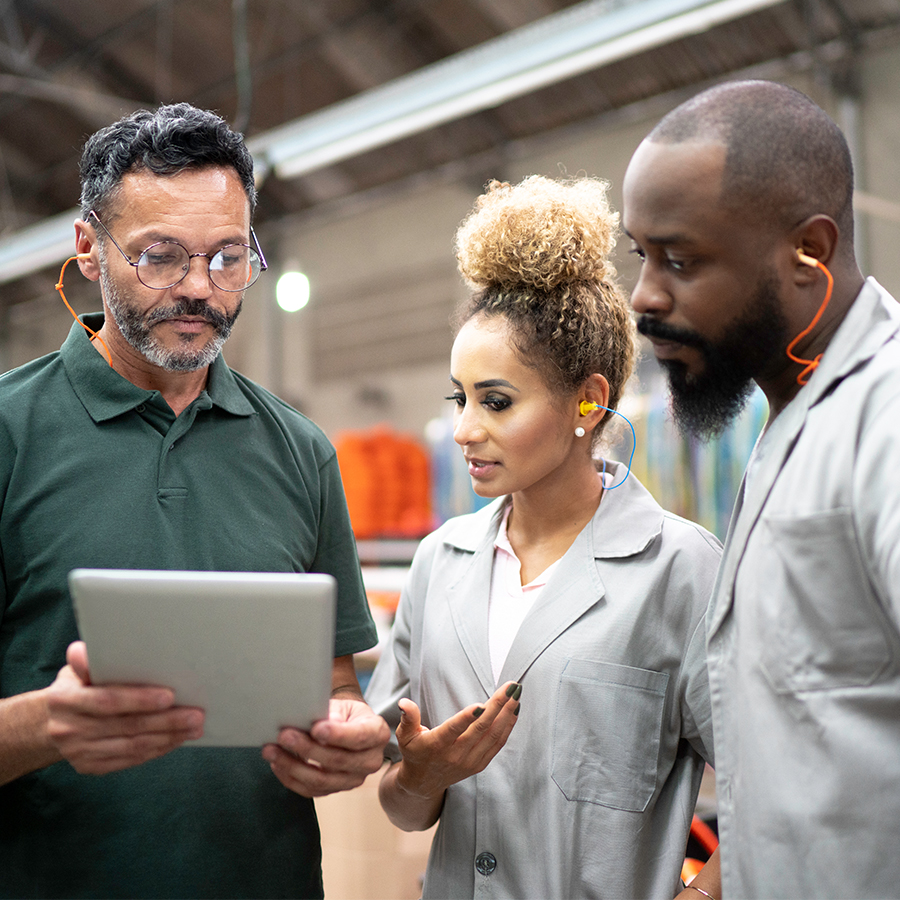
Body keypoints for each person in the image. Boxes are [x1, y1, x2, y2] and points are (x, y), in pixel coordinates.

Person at [0, 103, 389, 899]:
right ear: (87, 248)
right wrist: (44, 728)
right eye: (160, 258)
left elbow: (336, 686)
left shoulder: (300, 452)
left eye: (226, 257)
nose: (198, 291)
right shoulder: (10, 434)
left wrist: (348, 738)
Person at [365, 175, 723, 899]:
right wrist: (424, 775)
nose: (465, 428)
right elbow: (403, 811)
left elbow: (771, 787)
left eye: (496, 401)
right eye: (458, 398)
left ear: (588, 401)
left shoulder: (680, 571)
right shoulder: (440, 566)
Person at [623, 79, 900, 899]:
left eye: (681, 260)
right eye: (642, 256)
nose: (645, 295)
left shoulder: (885, 421)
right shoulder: (793, 416)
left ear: (806, 253)